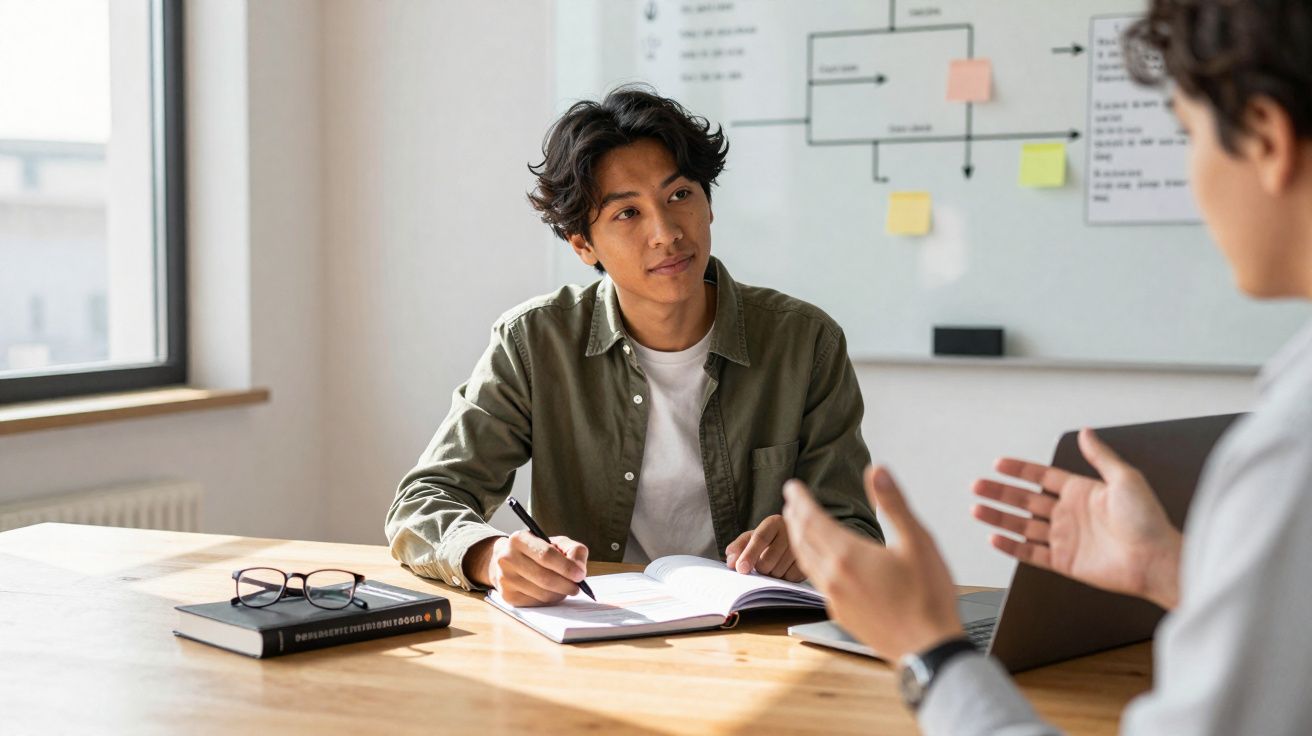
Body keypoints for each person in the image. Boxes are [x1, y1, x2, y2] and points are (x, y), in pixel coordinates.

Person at [783, 1, 1312, 733]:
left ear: (1265, 138)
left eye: (1188, 136)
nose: (1193, 177)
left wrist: (926, 649)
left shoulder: (1294, 453)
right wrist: (1171, 571)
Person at [385, 86, 882, 607]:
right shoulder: (533, 343)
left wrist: (813, 544)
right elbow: (422, 502)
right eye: (627, 213)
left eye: (680, 196)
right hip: (594, 633)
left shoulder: (805, 343)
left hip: (754, 637)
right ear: (582, 244)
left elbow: (857, 530)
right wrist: (489, 556)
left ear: (708, 205)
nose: (666, 233)